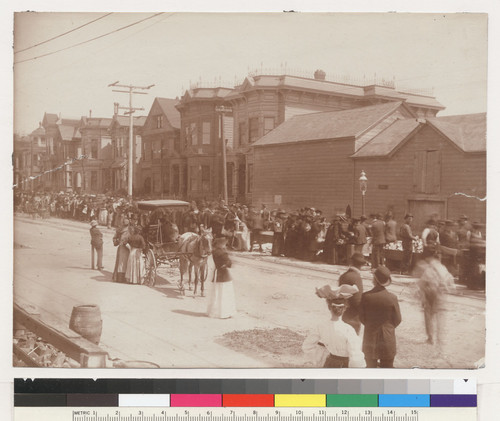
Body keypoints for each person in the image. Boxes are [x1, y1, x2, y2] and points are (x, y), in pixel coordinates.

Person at [302, 284, 365, 368]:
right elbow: (355, 355)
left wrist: (316, 358)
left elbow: (307, 346)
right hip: (344, 365)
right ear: (345, 308)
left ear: (329, 307)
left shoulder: (321, 326)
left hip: (329, 363)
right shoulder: (348, 330)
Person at [359, 266, 402, 368]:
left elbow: (362, 318)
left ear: (374, 279)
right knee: (387, 370)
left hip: (370, 339)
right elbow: (398, 319)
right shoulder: (392, 298)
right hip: (388, 339)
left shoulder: (366, 296)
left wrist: (371, 325)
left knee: (370, 369)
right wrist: (388, 327)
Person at [414, 255, 456, 345]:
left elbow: (421, 284)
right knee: (440, 319)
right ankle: (440, 339)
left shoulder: (429, 269)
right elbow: (451, 284)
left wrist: (422, 297)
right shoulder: (443, 268)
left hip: (431, 297)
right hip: (441, 297)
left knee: (428, 317)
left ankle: (430, 338)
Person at [207, 237, 236, 318]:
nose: (225, 245)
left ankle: (215, 312)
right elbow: (229, 264)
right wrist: (229, 262)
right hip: (224, 274)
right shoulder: (223, 253)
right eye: (225, 244)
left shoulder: (214, 252)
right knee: (224, 293)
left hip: (217, 273)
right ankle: (224, 312)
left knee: (217, 293)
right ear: (221, 244)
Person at [337, 252, 365, 334]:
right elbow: (357, 301)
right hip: (353, 317)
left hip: (344, 313)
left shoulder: (344, 275)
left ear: (351, 262)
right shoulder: (357, 277)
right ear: (361, 265)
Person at [112, 218, 131, 283]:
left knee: (124, 262)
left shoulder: (131, 229)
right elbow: (115, 238)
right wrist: (118, 241)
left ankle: (123, 278)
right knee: (122, 262)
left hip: (128, 248)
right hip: (123, 247)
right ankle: (121, 278)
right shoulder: (120, 229)